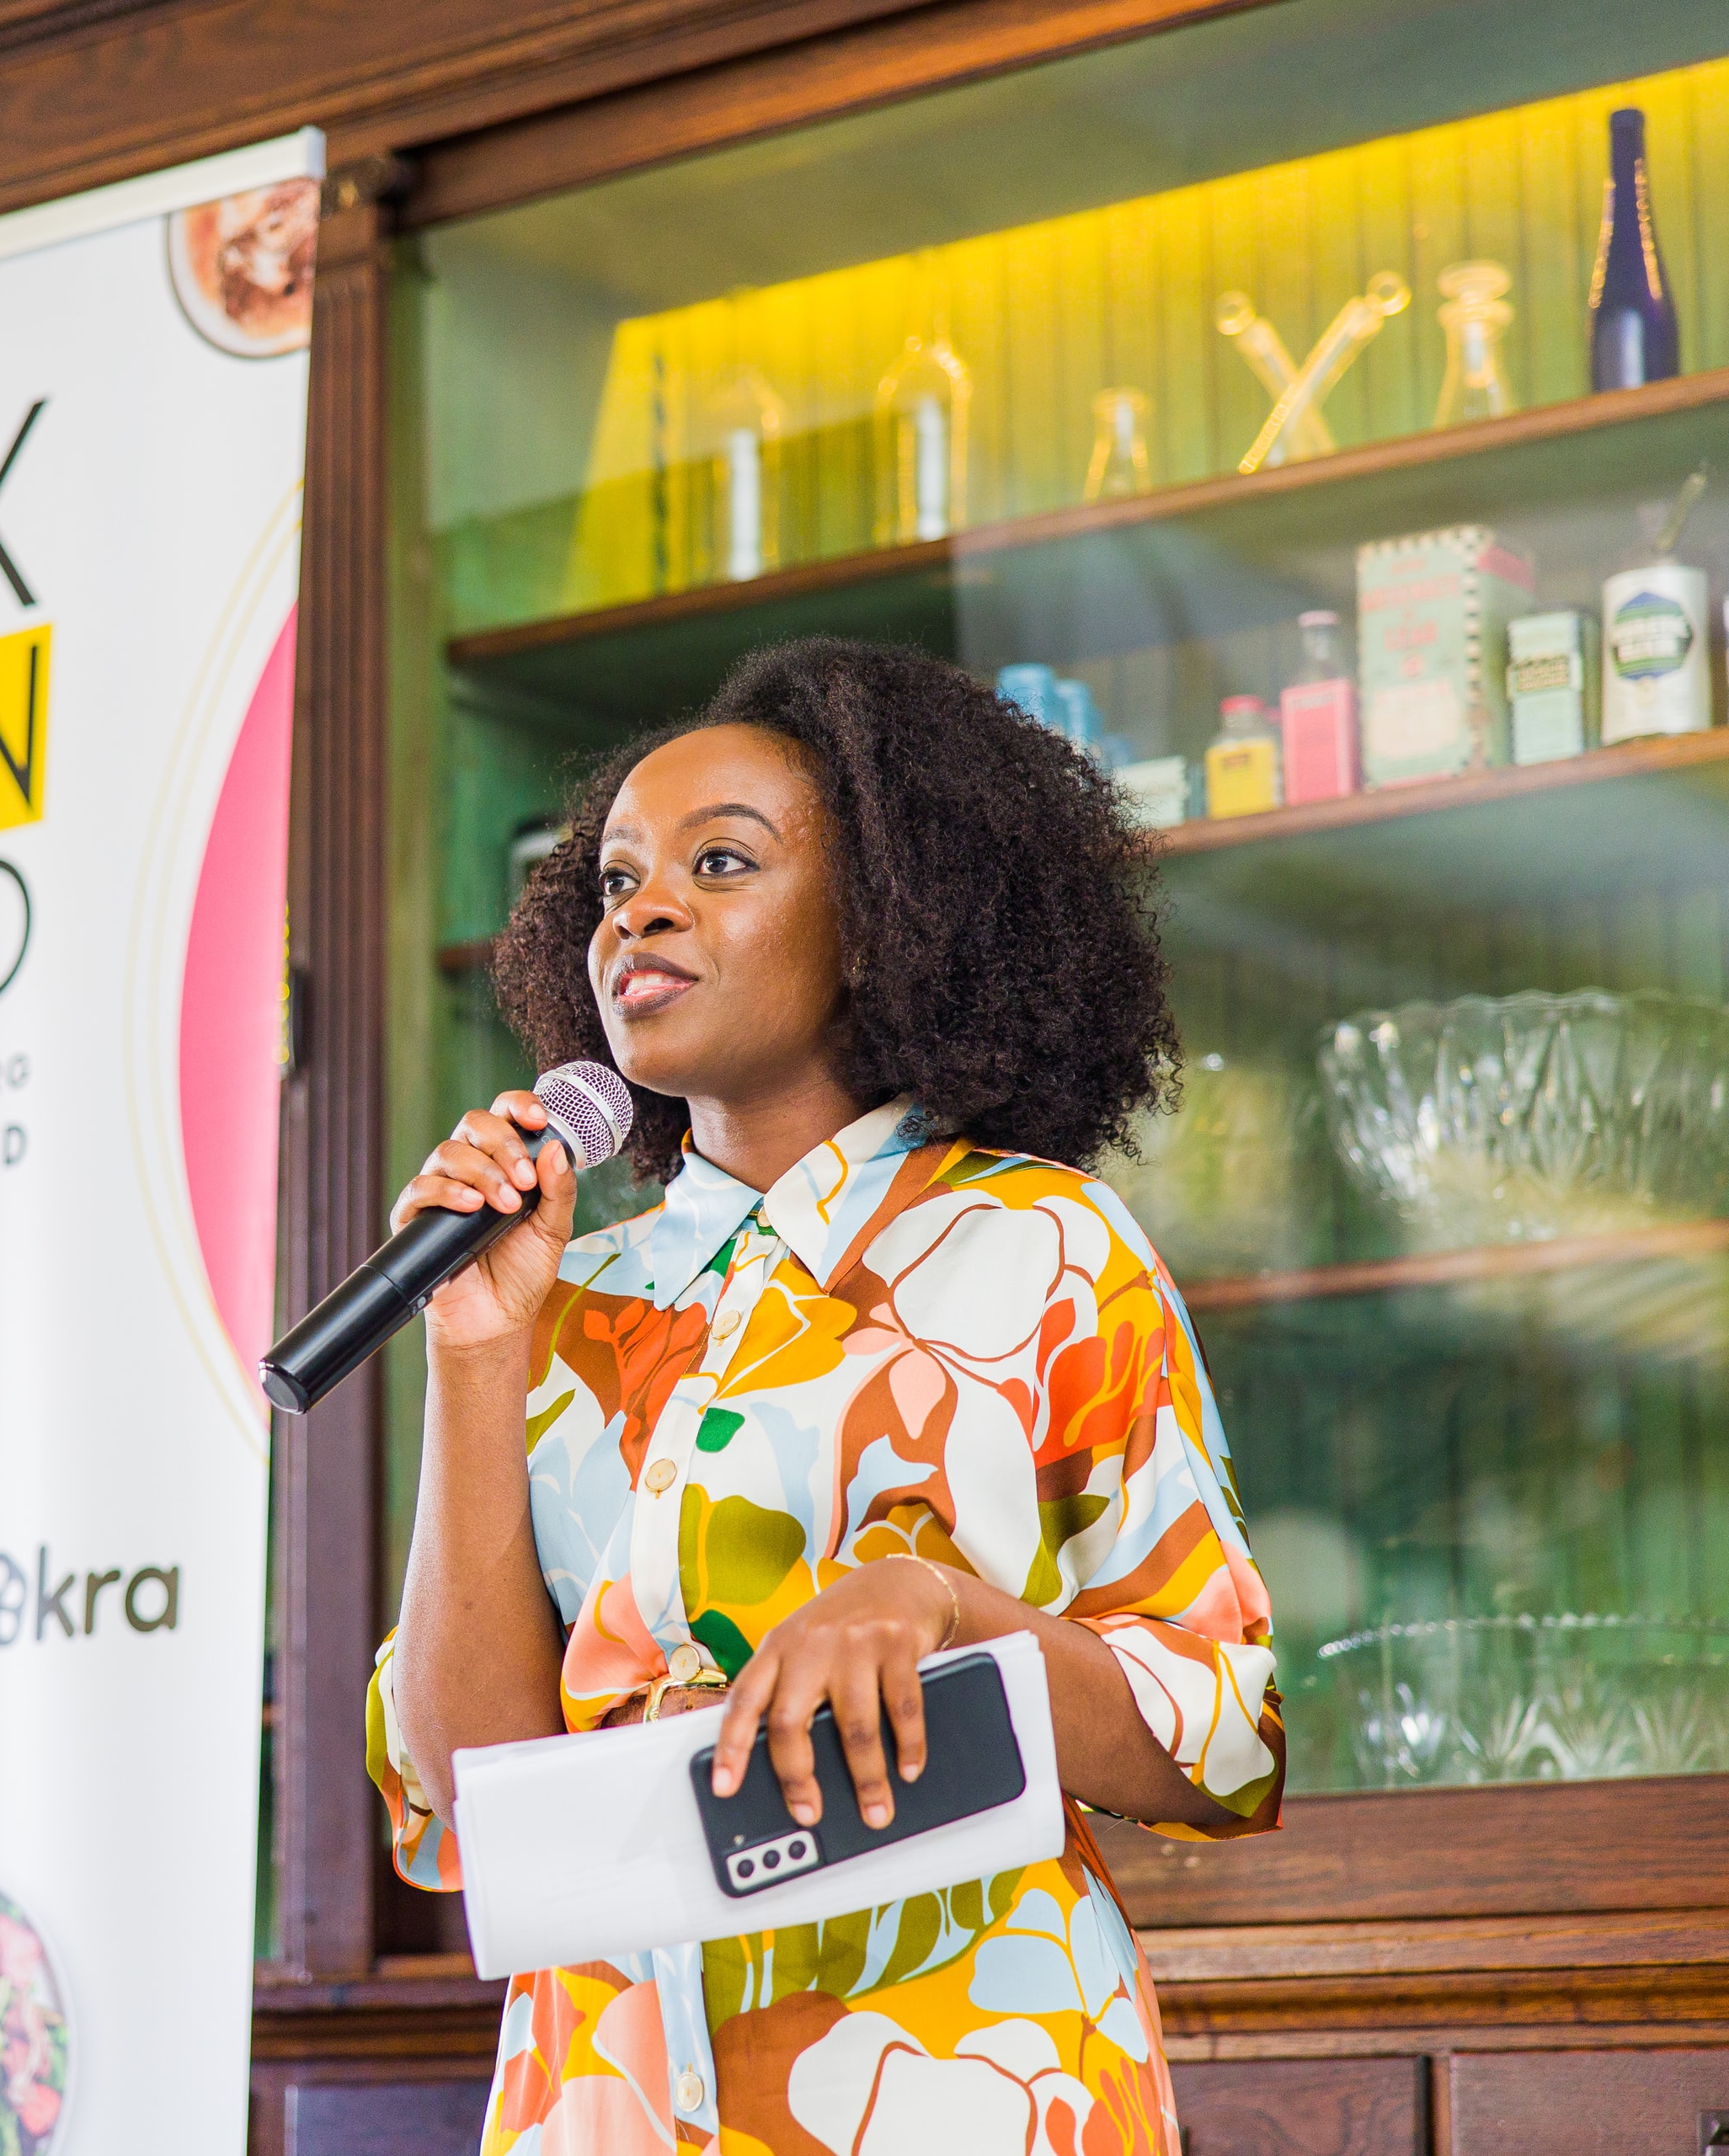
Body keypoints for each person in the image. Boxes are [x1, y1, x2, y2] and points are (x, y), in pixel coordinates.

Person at [368, 638, 1282, 2155]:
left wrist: (942, 1610)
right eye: (615, 881)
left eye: (721, 863)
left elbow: (1227, 1738)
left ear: (885, 920)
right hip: (608, 2089)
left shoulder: (1042, 1243)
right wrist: (473, 1357)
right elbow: (470, 1800)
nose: (642, 912)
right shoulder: (559, 1294)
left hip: (958, 2076)